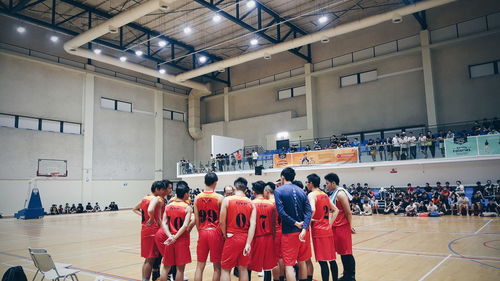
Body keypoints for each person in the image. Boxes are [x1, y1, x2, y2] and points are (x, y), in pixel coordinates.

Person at [274, 168, 312, 281]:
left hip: (289, 232)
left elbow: (281, 212)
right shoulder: (301, 191)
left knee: (289, 264)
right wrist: (304, 227)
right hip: (302, 232)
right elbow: (308, 211)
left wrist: (295, 223)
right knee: (302, 261)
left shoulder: (279, 190)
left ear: (282, 177)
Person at [220, 177, 257, 281]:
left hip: (231, 236)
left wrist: (224, 234)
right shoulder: (251, 203)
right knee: (243, 268)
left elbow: (222, 221)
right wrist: (248, 243)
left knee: (225, 269)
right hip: (245, 237)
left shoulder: (227, 200)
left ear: (235, 188)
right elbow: (253, 225)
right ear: (245, 189)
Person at [133, 181, 169, 281]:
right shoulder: (156, 199)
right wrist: (152, 218)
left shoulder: (145, 198)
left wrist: (144, 217)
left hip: (145, 229)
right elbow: (150, 210)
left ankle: (145, 279)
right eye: (162, 189)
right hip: (153, 230)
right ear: (157, 189)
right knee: (150, 259)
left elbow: (134, 209)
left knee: (148, 259)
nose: (163, 191)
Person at [306, 173, 339, 281]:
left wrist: (308, 220)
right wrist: (329, 224)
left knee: (322, 261)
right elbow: (336, 210)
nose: (306, 184)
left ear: (311, 183)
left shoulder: (312, 195)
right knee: (332, 259)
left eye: (307, 182)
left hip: (318, 230)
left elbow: (312, 209)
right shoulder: (324, 194)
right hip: (327, 230)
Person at [324, 173, 356, 281]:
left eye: (327, 183)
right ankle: (346, 275)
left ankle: (351, 276)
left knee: (346, 252)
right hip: (336, 227)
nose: (326, 185)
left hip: (342, 226)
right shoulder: (334, 193)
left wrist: (350, 226)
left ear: (333, 183)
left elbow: (348, 212)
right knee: (342, 252)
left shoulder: (341, 194)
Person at [194, 173, 225, 281]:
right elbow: (222, 220)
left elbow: (196, 219)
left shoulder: (197, 197)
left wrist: (200, 230)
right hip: (215, 232)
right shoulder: (220, 198)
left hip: (202, 231)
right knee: (217, 267)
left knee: (199, 266)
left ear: (204, 181)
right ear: (215, 183)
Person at [160, 183, 193, 281]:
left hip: (170, 239)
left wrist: (170, 236)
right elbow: (185, 225)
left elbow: (164, 223)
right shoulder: (187, 207)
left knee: (166, 267)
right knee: (180, 269)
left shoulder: (169, 206)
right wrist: (175, 237)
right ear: (186, 194)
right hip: (181, 240)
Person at [248, 181, 277, 281]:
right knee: (268, 266)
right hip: (268, 237)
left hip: (254, 238)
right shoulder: (271, 204)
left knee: (248, 265)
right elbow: (274, 224)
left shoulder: (251, 204)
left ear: (254, 192)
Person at [264, 182, 285, 281]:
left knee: (274, 258)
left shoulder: (268, 203)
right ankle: (282, 277)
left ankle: (276, 279)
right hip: (282, 231)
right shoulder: (280, 201)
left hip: (273, 233)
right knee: (281, 257)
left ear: (267, 191)